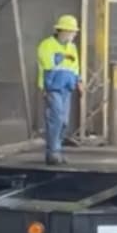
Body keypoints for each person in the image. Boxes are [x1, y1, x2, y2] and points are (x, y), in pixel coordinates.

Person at [36, 14, 80, 167]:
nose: (74, 35)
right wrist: (47, 88)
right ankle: (53, 153)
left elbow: (74, 68)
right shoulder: (46, 45)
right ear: (63, 31)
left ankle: (57, 151)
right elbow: (49, 66)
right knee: (56, 119)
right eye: (72, 32)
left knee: (64, 122)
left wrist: (78, 81)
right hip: (52, 88)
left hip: (66, 89)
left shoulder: (72, 47)